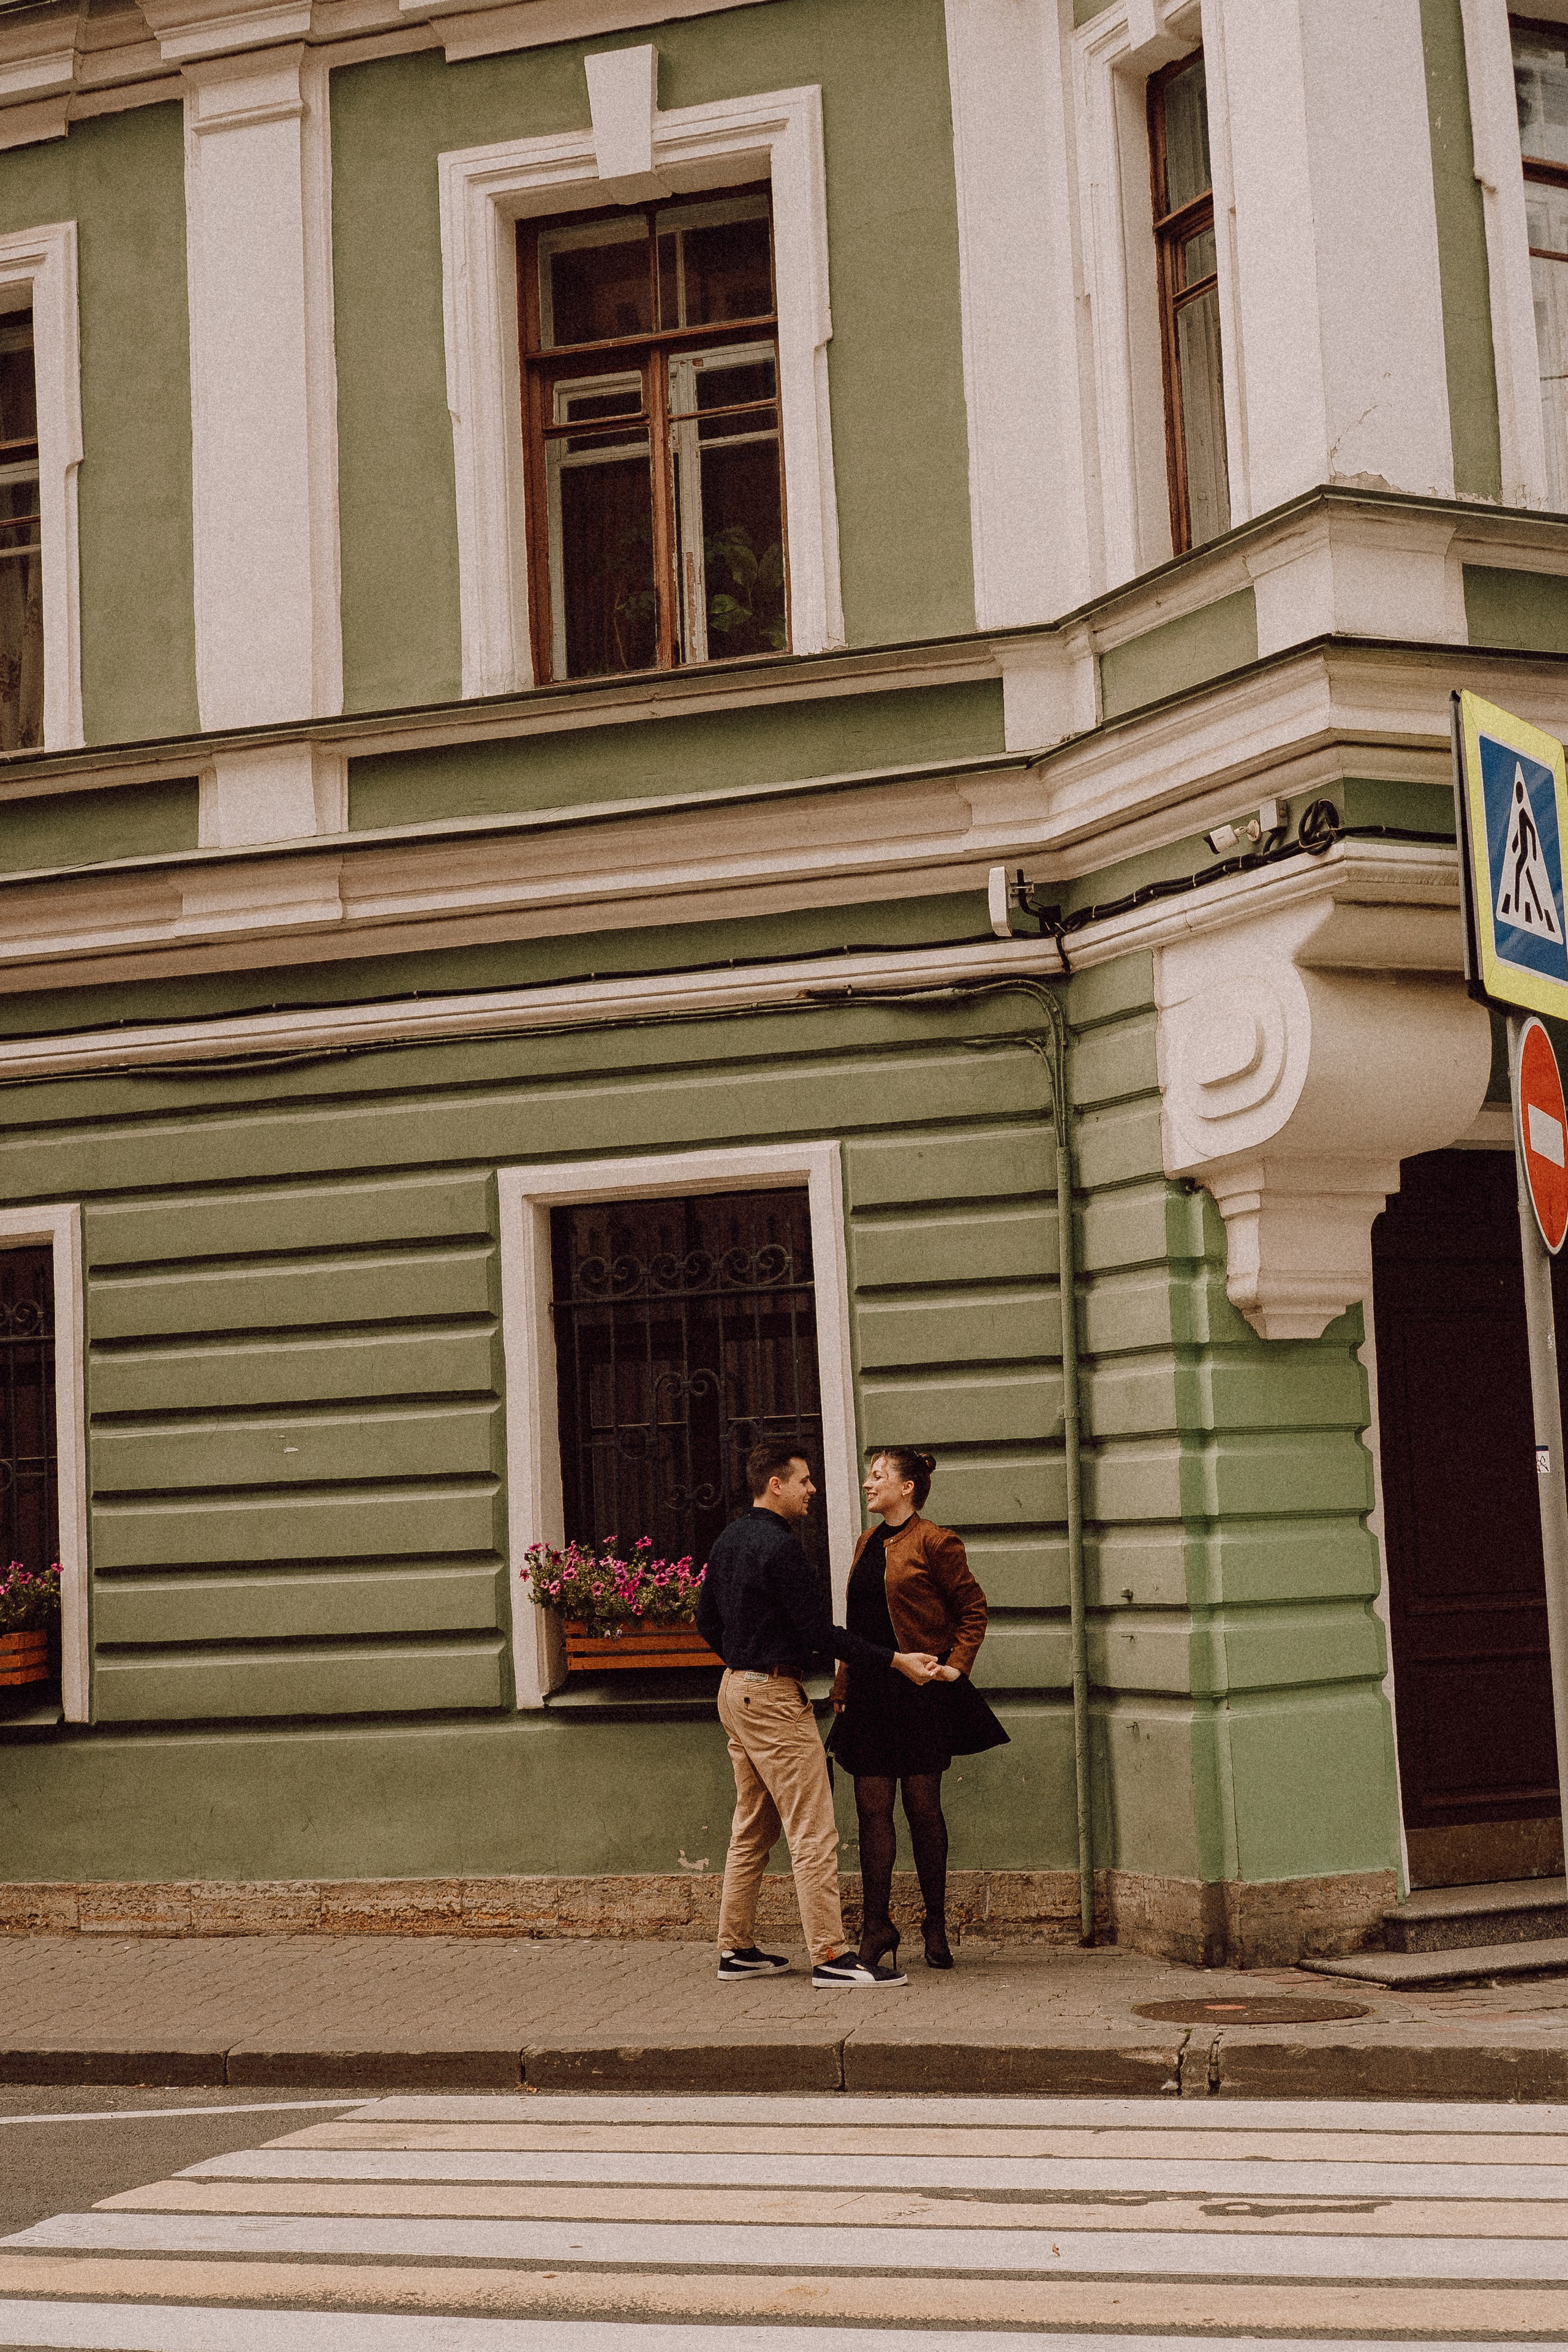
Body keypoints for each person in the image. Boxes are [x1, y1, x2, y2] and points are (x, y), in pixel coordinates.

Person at [696, 1442, 941, 1988]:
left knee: (753, 1827)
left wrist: (743, 1661)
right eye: (804, 1480)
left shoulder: (730, 1538)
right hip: (773, 1695)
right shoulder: (781, 1549)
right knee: (813, 1830)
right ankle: (830, 1956)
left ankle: (735, 1950)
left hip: (735, 1692)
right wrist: (894, 1660)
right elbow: (820, 1635)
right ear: (775, 1485)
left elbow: (705, 1620)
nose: (813, 1490)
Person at [827, 1446, 1009, 1971]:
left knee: (923, 1809)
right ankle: (877, 1925)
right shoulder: (867, 1541)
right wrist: (844, 1679)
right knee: (871, 1808)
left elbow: (973, 1609)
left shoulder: (936, 1541)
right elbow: (858, 1624)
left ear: (907, 1487)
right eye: (869, 1474)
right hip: (872, 1691)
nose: (868, 1482)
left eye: (878, 1475)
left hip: (920, 1692)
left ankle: (935, 1921)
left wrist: (957, 1665)